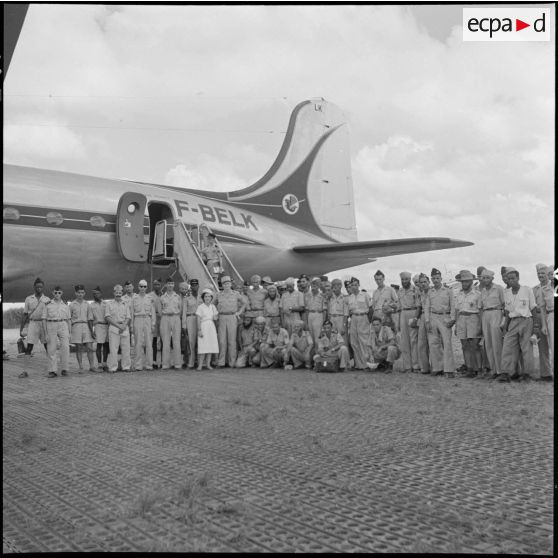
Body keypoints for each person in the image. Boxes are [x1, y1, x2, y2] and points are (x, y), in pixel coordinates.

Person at [499, 268, 537, 382]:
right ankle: (506, 372)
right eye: (509, 279)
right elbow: (507, 311)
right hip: (513, 321)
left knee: (526, 349)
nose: (511, 281)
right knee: (507, 347)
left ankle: (527, 374)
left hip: (526, 321)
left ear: (518, 278)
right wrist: (505, 327)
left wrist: (535, 328)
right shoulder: (507, 293)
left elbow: (533, 309)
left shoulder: (527, 290)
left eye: (513, 278)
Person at [424, 268, 456, 377]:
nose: (435, 280)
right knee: (433, 343)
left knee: (446, 343)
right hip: (433, 317)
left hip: (444, 317)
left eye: (437, 278)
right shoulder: (430, 291)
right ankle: (437, 368)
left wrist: (452, 319)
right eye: (433, 278)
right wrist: (427, 321)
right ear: (431, 279)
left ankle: (449, 369)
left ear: (441, 278)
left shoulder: (448, 291)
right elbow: (427, 307)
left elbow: (453, 306)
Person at [19, 277, 50, 378]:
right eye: (37, 287)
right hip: (33, 324)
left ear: (43, 287)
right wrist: (22, 328)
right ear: (34, 287)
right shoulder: (29, 299)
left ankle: (52, 369)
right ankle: (25, 371)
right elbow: (24, 314)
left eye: (41, 287)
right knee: (29, 347)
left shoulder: (47, 299)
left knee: (47, 347)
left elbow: (50, 314)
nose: (39, 289)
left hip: (44, 324)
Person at [454, 270, 482, 378]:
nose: (464, 283)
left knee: (474, 345)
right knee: (464, 345)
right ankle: (469, 368)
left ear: (471, 281)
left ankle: (478, 369)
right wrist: (456, 324)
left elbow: (480, 311)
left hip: (473, 318)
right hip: (461, 318)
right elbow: (457, 310)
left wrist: (480, 325)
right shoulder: (459, 294)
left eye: (466, 281)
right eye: (462, 281)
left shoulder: (477, 294)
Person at [479, 269, 505, 380]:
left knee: (497, 343)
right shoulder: (483, 291)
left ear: (492, 278)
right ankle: (493, 370)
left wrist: (503, 320)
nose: (485, 280)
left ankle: (500, 370)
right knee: (488, 344)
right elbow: (480, 307)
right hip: (486, 315)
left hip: (496, 313)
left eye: (487, 278)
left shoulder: (498, 288)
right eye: (483, 278)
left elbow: (504, 304)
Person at [215, 275, 245, 368]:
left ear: (231, 284)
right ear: (222, 285)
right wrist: (215, 314)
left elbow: (244, 303)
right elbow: (212, 305)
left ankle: (232, 362)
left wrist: (239, 312)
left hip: (232, 317)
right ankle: (221, 362)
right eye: (224, 284)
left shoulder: (236, 294)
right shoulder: (218, 294)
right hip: (222, 317)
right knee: (222, 341)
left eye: (228, 283)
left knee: (232, 341)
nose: (226, 285)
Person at [41, 286, 71, 377]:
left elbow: (69, 319)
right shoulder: (48, 304)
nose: (57, 294)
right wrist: (45, 334)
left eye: (59, 293)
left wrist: (70, 332)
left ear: (62, 293)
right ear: (52, 293)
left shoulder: (65, 305)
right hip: (51, 325)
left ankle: (65, 369)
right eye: (55, 292)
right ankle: (52, 371)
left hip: (63, 324)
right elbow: (43, 319)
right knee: (51, 348)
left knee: (65, 348)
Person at [532, 263, 553, 381]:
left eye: (543, 273)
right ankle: (546, 374)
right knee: (543, 346)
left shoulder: (552, 287)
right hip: (539, 318)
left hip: (550, 315)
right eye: (538, 273)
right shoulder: (534, 289)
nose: (540, 275)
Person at [69, 284, 97, 372]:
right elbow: (69, 319)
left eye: (82, 292)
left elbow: (90, 318)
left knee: (89, 346)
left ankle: (92, 366)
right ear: (75, 293)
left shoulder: (87, 304)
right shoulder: (72, 305)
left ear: (84, 293)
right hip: (76, 326)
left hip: (86, 326)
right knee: (79, 347)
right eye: (78, 292)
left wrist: (91, 331)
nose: (80, 294)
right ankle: (81, 367)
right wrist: (69, 331)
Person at [104, 284, 132, 373]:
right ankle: (113, 367)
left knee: (126, 349)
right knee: (113, 349)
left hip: (124, 327)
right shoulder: (109, 304)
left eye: (120, 292)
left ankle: (126, 367)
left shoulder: (126, 304)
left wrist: (123, 326)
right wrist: (119, 326)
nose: (118, 294)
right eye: (117, 292)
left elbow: (128, 317)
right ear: (114, 293)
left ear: (122, 293)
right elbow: (107, 317)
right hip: (114, 327)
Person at [131, 279, 157, 371]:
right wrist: (131, 325)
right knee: (138, 343)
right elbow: (132, 312)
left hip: (147, 319)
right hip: (137, 319)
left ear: (146, 287)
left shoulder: (150, 298)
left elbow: (153, 312)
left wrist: (153, 324)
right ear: (138, 287)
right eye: (141, 286)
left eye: (144, 286)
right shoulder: (134, 298)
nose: (142, 288)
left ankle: (149, 365)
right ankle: (138, 365)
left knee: (149, 343)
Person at [347, 277, 372, 370]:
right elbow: (349, 311)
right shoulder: (350, 297)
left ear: (359, 285)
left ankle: (366, 364)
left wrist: (369, 321)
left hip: (363, 317)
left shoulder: (365, 295)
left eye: (355, 285)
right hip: (354, 318)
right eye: (352, 285)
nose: (354, 287)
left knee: (364, 341)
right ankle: (358, 364)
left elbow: (371, 308)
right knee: (354, 341)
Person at [397, 271, 420, 373]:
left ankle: (415, 366)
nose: (404, 281)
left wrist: (415, 318)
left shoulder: (415, 290)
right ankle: (407, 366)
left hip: (412, 312)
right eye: (402, 279)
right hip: (403, 314)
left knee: (413, 340)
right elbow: (398, 306)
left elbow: (419, 306)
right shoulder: (400, 291)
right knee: (404, 341)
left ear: (409, 280)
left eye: (406, 279)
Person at [160, 277, 183, 370]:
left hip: (175, 317)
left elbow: (180, 309)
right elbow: (159, 310)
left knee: (177, 341)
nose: (170, 285)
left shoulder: (178, 297)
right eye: (168, 283)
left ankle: (177, 364)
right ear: (165, 285)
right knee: (165, 341)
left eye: (172, 283)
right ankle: (165, 364)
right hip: (165, 318)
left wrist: (175, 315)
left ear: (174, 285)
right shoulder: (162, 297)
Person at [196, 288, 219, 370]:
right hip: (203, 326)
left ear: (211, 298)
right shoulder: (200, 307)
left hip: (211, 327)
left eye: (209, 296)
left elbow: (215, 318)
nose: (207, 298)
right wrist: (199, 330)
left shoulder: (213, 307)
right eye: (206, 296)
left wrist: (216, 316)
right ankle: (200, 365)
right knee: (203, 345)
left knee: (210, 346)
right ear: (203, 297)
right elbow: (198, 319)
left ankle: (208, 364)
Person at [182, 279, 201, 368]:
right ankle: (191, 362)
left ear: (198, 286)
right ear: (191, 287)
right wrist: (184, 325)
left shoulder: (202, 297)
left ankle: (199, 361)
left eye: (196, 285)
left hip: (200, 320)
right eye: (193, 285)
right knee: (191, 342)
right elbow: (184, 312)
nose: (194, 287)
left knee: (200, 341)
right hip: (190, 318)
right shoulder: (187, 298)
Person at [415, 274, 431, 375]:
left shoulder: (432, 292)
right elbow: (419, 307)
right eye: (421, 282)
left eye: (425, 282)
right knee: (421, 343)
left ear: (428, 282)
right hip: (422, 317)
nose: (423, 284)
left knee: (434, 343)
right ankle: (425, 367)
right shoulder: (420, 293)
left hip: (432, 317)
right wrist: (416, 318)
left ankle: (436, 366)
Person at [90, 286, 109, 371]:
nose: (96, 295)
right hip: (98, 326)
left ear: (101, 293)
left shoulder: (106, 304)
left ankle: (105, 363)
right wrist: (92, 330)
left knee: (106, 345)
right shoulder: (91, 305)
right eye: (94, 294)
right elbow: (90, 319)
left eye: (97, 293)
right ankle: (99, 364)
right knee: (99, 345)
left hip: (107, 326)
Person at [327, 279, 349, 346]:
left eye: (337, 285)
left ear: (340, 286)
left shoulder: (344, 297)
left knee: (343, 339)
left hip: (340, 319)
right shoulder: (330, 298)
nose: (334, 288)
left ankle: (345, 355)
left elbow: (346, 314)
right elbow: (328, 311)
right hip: (332, 319)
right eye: (333, 286)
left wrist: (344, 326)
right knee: (333, 339)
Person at [306, 277, 326, 346]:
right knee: (311, 337)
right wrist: (306, 321)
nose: (313, 287)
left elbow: (324, 310)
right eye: (312, 285)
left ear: (318, 286)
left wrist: (324, 322)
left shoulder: (322, 296)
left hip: (318, 315)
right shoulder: (308, 295)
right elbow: (307, 310)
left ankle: (318, 353)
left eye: (315, 285)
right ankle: (313, 354)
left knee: (318, 336)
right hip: (310, 315)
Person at [148, 278, 163, 368]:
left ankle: (161, 361)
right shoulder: (149, 296)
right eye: (155, 284)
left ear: (161, 285)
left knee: (162, 340)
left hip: (162, 318)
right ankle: (153, 361)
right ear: (153, 285)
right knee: (153, 340)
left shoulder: (163, 295)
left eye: (158, 284)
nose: (157, 286)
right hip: (153, 318)